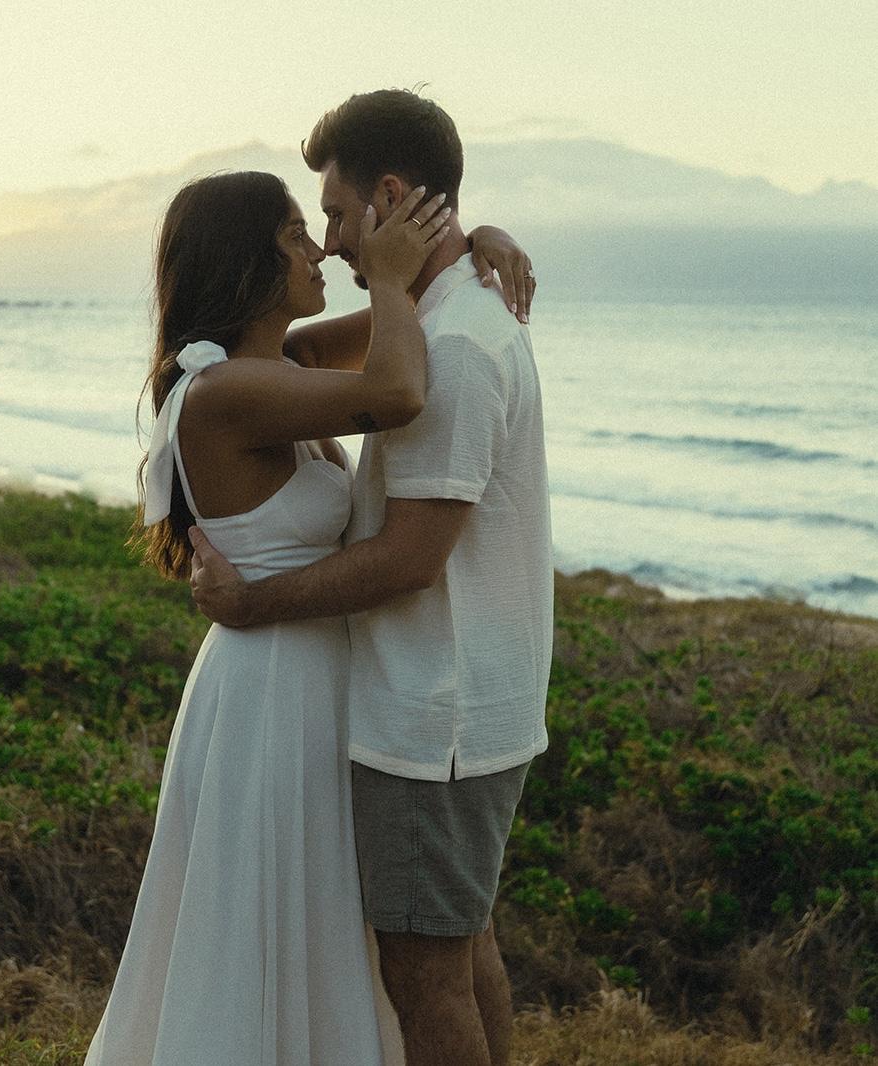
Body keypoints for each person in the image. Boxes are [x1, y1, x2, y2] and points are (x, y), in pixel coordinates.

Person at [83, 169, 528, 1065]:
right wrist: (393, 277)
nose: (321, 249)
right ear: (245, 264)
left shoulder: (280, 366)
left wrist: (468, 246)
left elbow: (418, 318)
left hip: (313, 678)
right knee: (271, 923)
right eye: (295, 234)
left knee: (327, 925)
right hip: (273, 690)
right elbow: (398, 389)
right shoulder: (225, 393)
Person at [190, 90, 553, 1066]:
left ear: (391, 197)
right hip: (461, 702)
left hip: (436, 713)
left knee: (426, 978)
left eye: (339, 214)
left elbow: (409, 558)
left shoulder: (452, 348)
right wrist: (458, 242)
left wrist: (251, 602)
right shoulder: (452, 313)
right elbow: (299, 355)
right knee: (463, 949)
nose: (331, 241)